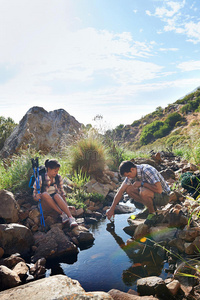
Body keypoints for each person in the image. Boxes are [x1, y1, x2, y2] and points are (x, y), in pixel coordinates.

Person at [106, 160, 171, 226]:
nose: (128, 178)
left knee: (143, 191)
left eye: (128, 175)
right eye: (127, 176)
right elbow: (121, 191)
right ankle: (149, 208)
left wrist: (142, 184)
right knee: (129, 189)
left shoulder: (147, 170)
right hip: (153, 194)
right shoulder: (133, 173)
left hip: (164, 196)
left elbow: (159, 190)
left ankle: (153, 214)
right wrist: (112, 209)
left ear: (132, 169)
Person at [33, 159, 78, 228]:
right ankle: (62, 214)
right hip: (45, 205)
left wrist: (66, 206)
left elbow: (62, 193)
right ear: (49, 169)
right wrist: (37, 197)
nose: (56, 173)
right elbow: (34, 196)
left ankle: (71, 218)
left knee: (57, 195)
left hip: (56, 204)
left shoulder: (58, 177)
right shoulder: (40, 178)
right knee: (44, 194)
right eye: (55, 171)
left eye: (57, 171)